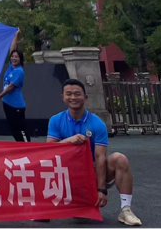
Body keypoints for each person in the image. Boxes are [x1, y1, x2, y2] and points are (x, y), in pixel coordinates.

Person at [47, 79, 141, 226]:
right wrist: (68, 141)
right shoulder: (55, 120)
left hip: (90, 174)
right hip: (66, 174)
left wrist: (101, 190)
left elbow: (100, 157)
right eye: (69, 94)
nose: (73, 97)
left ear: (85, 97)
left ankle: (126, 209)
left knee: (119, 159)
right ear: (63, 97)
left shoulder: (97, 123)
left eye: (77, 94)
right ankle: (44, 208)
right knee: (36, 163)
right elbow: (48, 151)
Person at [0, 48, 30, 142]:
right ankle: (19, 145)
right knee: (13, 128)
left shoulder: (19, 71)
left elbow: (10, 87)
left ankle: (26, 145)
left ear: (20, 59)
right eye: (12, 56)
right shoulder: (11, 67)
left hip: (16, 105)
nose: (14, 58)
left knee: (21, 128)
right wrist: (14, 38)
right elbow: (12, 49)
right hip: (7, 103)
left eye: (16, 57)